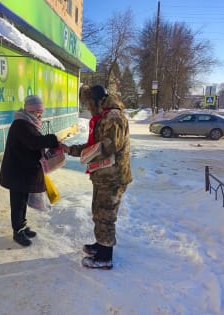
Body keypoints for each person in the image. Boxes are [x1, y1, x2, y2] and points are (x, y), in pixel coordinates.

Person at [62, 84, 132, 269]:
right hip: (103, 175)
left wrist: (83, 154)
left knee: (106, 215)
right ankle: (101, 245)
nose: (87, 108)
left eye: (88, 103)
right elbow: (94, 145)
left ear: (96, 100)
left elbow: (108, 147)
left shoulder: (113, 117)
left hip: (113, 178)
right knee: (99, 212)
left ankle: (105, 256)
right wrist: (70, 149)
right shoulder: (104, 116)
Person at [0, 95, 60, 247]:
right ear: (30, 110)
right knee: (18, 203)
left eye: (41, 111)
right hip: (16, 173)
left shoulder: (27, 122)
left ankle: (22, 226)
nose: (40, 114)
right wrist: (52, 139)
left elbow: (32, 143)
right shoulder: (21, 124)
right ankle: (17, 232)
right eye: (37, 111)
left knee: (22, 201)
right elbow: (33, 142)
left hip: (22, 172)